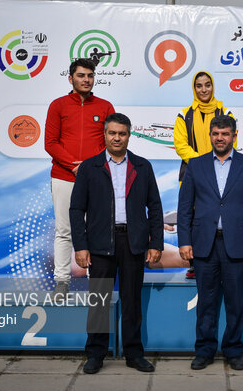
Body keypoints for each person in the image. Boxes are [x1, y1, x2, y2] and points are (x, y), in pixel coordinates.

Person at [70, 113, 163, 374]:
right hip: (100, 244)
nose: (117, 138)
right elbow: (77, 209)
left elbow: (155, 207)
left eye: (122, 133)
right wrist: (80, 246)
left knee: (133, 301)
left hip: (133, 243)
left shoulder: (143, 166)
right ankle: (96, 354)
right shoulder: (90, 167)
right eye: (112, 133)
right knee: (99, 301)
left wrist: (156, 242)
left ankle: (134, 353)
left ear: (129, 135)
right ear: (105, 135)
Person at [177, 115, 243, 371]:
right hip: (204, 244)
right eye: (215, 133)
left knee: (235, 302)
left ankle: (233, 351)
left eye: (225, 134)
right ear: (211, 135)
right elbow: (184, 209)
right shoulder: (195, 165)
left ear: (234, 136)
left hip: (237, 244)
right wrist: (184, 241)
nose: (220, 138)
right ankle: (204, 350)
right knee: (206, 301)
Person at [45, 58, 115, 296]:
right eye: (81, 75)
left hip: (95, 178)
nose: (86, 80)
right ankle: (62, 281)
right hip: (64, 177)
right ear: (71, 78)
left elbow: (111, 142)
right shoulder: (58, 105)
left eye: (90, 76)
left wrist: (88, 168)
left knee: (94, 231)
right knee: (64, 230)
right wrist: (74, 167)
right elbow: (50, 143)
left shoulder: (105, 106)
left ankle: (92, 279)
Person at [174, 71, 237, 279]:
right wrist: (201, 165)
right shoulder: (184, 114)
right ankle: (194, 264)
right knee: (192, 216)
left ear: (213, 86)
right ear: (194, 88)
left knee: (220, 213)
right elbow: (180, 145)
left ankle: (223, 260)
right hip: (192, 172)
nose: (203, 90)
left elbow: (231, 142)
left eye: (207, 85)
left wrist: (212, 163)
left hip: (222, 169)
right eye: (199, 86)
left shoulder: (225, 111)